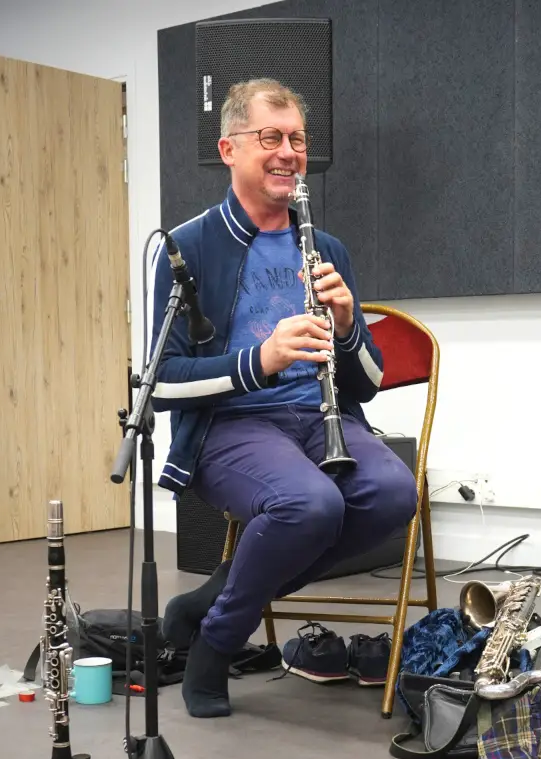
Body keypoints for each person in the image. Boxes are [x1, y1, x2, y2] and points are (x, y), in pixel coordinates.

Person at [148, 78, 418, 718]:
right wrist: (260, 360)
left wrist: (347, 327)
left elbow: (368, 383)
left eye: (297, 139)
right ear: (229, 149)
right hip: (231, 426)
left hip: (321, 418)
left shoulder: (327, 247)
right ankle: (217, 642)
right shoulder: (187, 247)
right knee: (310, 504)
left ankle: (213, 599)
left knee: (393, 493)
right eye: (270, 137)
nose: (289, 152)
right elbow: (163, 382)